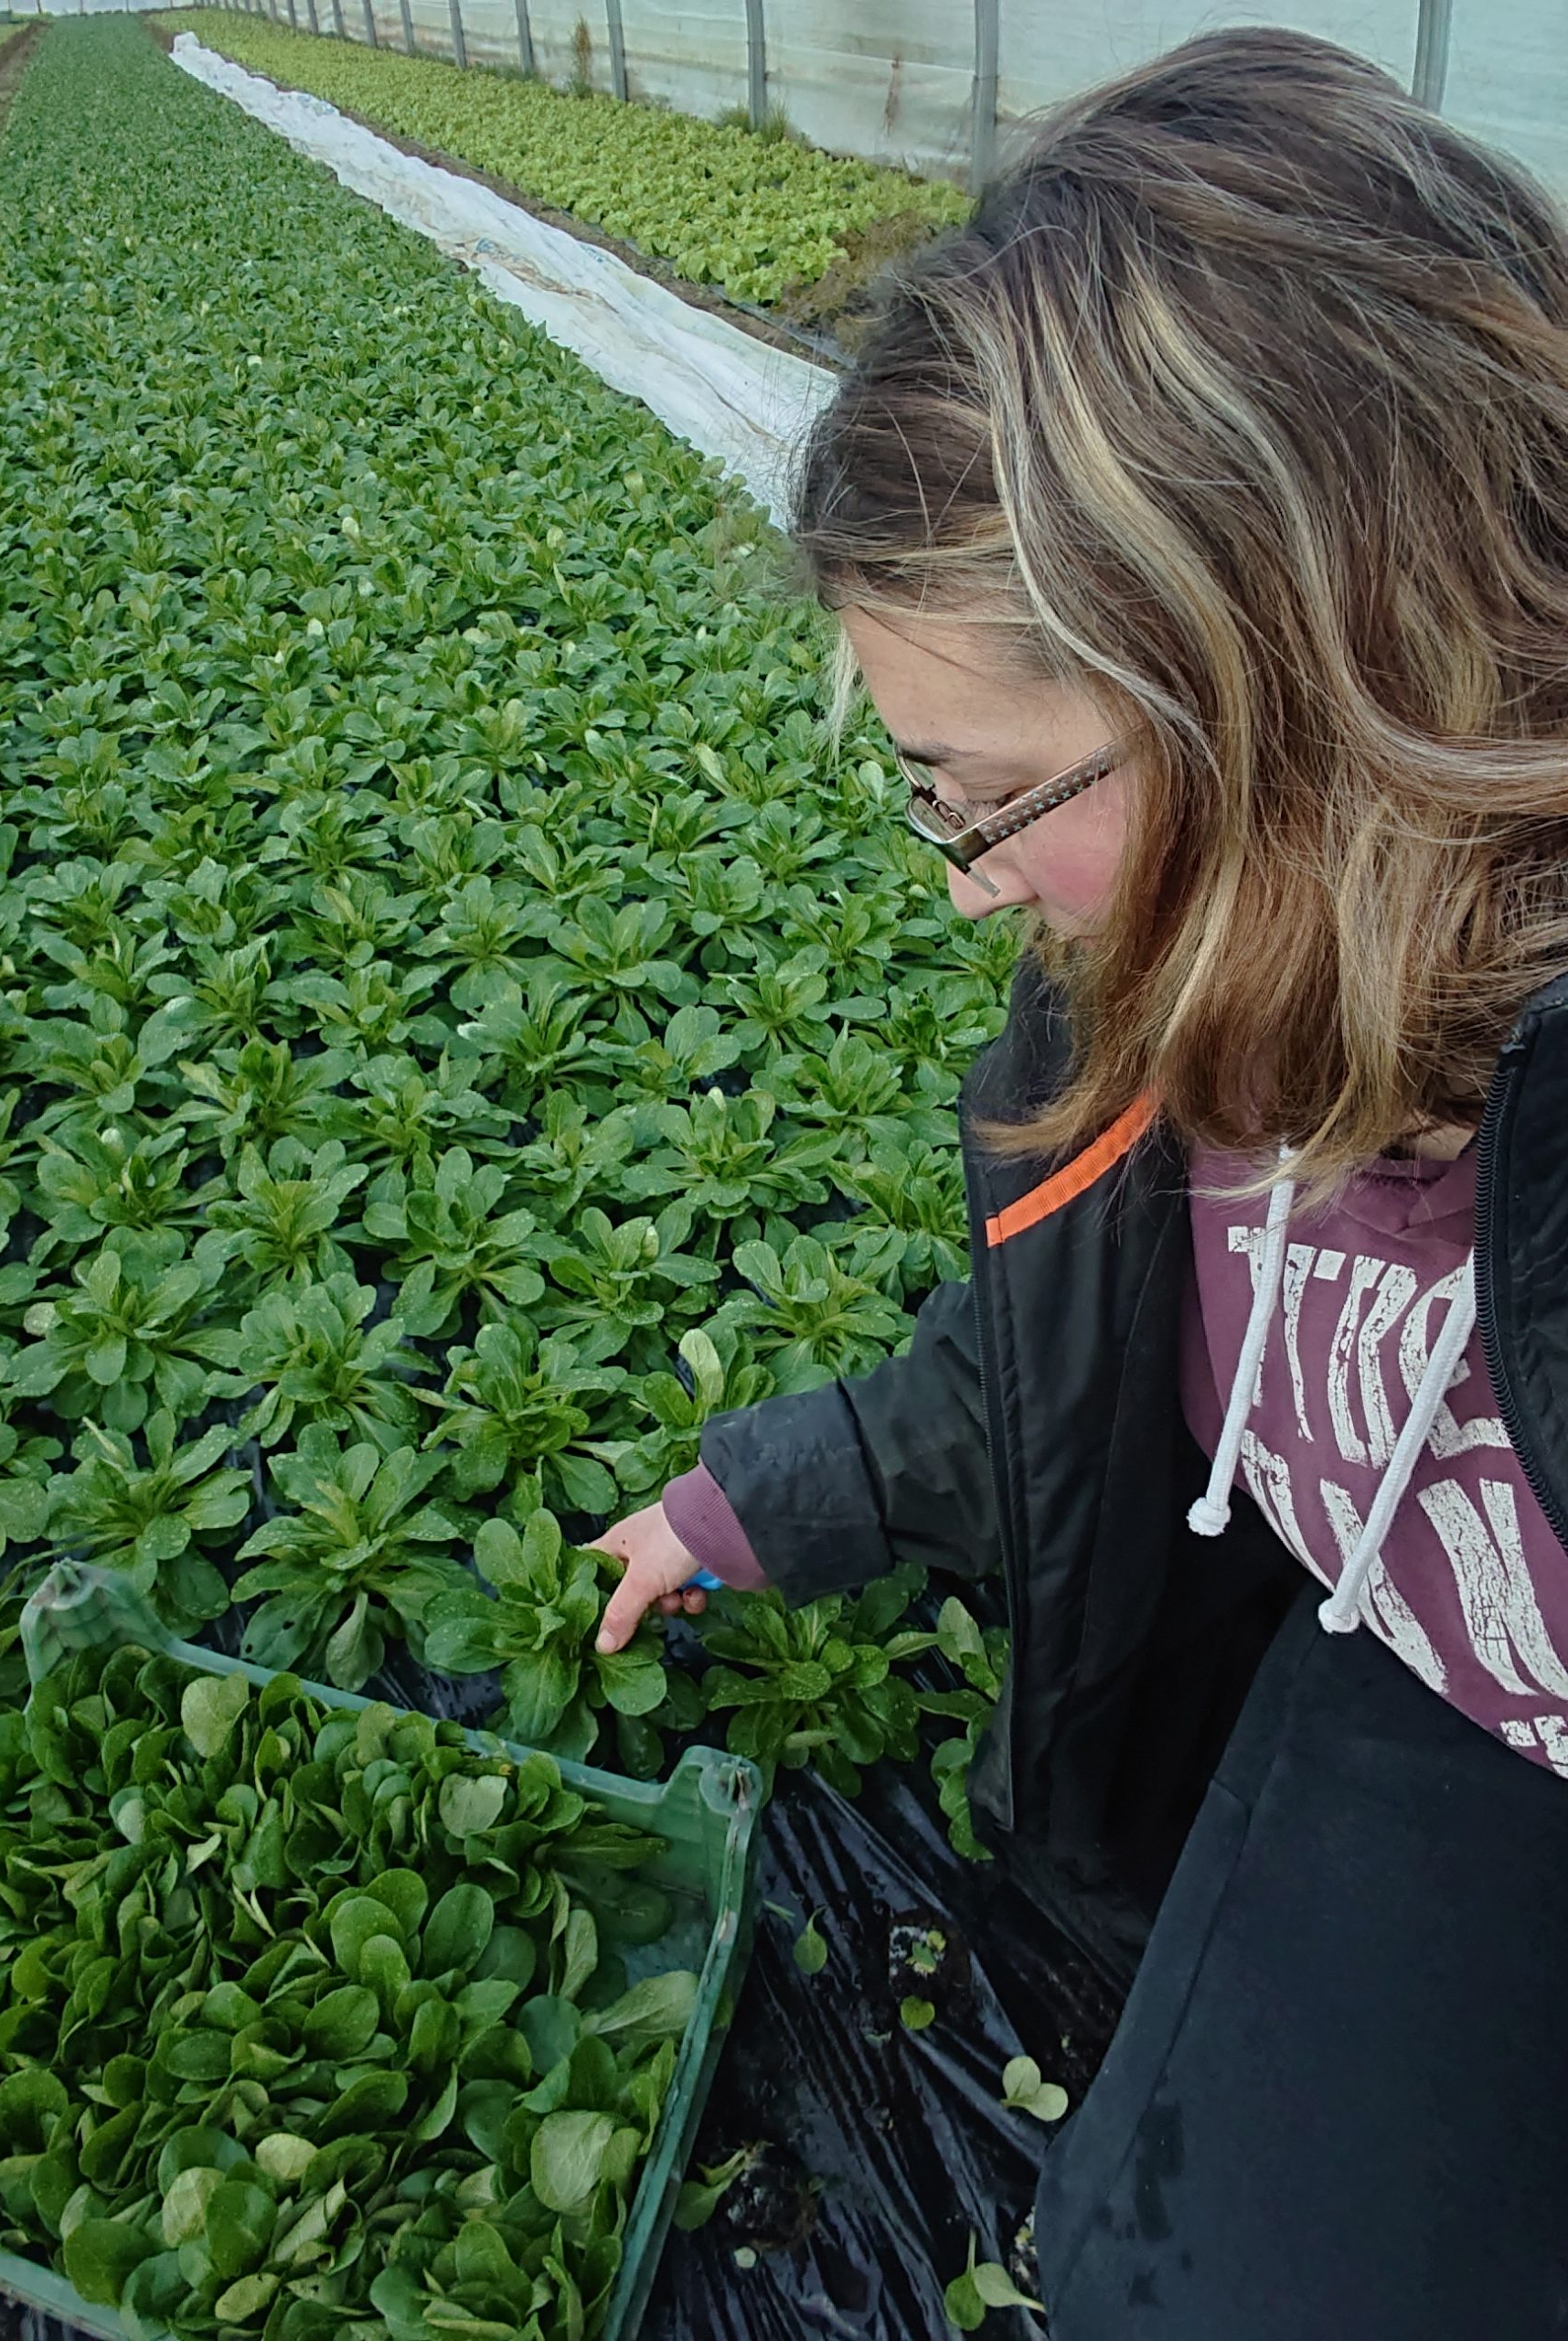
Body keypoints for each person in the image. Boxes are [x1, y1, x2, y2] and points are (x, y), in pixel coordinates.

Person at [590, 27, 1568, 2339]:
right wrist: (755, 1495)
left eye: (986, 790)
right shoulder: (1180, 977)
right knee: (1154, 2249)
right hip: (1386, 1666)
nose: (964, 883)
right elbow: (1051, 1359)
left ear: (1293, 686)